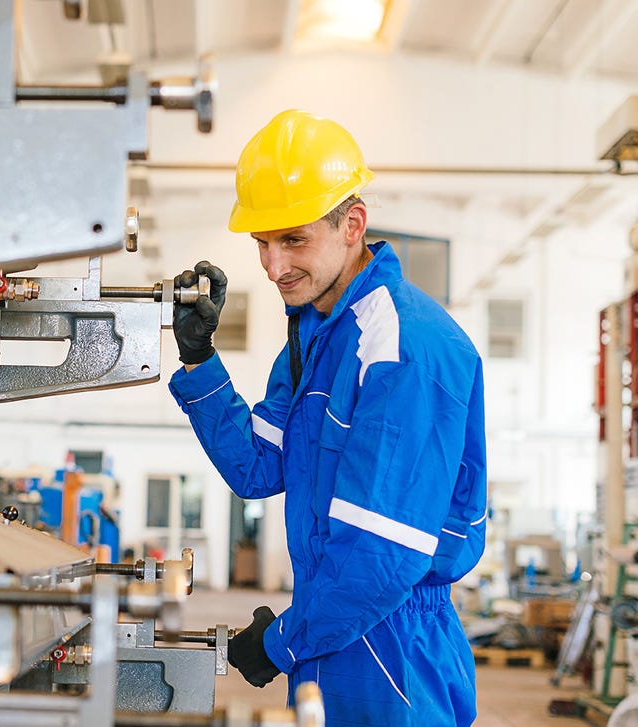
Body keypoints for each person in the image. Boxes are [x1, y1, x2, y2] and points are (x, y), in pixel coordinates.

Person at [168, 109, 486, 726]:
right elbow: (259, 467)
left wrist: (282, 641)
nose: (273, 266)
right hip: (335, 624)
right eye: (262, 243)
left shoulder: (400, 345)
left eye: (294, 240)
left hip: (390, 653)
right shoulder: (315, 333)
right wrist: (201, 359)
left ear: (352, 225)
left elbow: (382, 556)